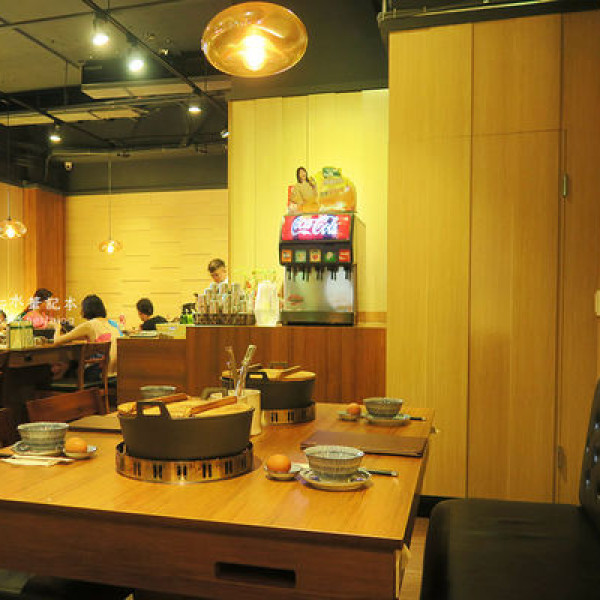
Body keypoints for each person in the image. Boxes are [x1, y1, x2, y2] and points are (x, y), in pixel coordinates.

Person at [50, 294, 122, 377]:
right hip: (118, 371)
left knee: (70, 367)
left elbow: (56, 341)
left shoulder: (89, 325)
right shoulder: (112, 323)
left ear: (86, 309)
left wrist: (57, 327)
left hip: (100, 371)